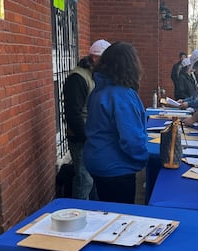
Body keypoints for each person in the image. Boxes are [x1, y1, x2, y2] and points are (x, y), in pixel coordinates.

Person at [84, 42, 148, 204]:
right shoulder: (123, 95)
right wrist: (143, 158)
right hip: (116, 168)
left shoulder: (98, 92)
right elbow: (131, 138)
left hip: (97, 161)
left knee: (106, 210)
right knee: (121, 218)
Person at [63, 39, 110, 199]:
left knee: (92, 180)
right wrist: (87, 137)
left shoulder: (92, 75)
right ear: (95, 58)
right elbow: (73, 114)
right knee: (84, 180)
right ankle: (79, 213)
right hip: (81, 138)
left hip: (91, 137)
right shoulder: (77, 78)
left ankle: (93, 213)